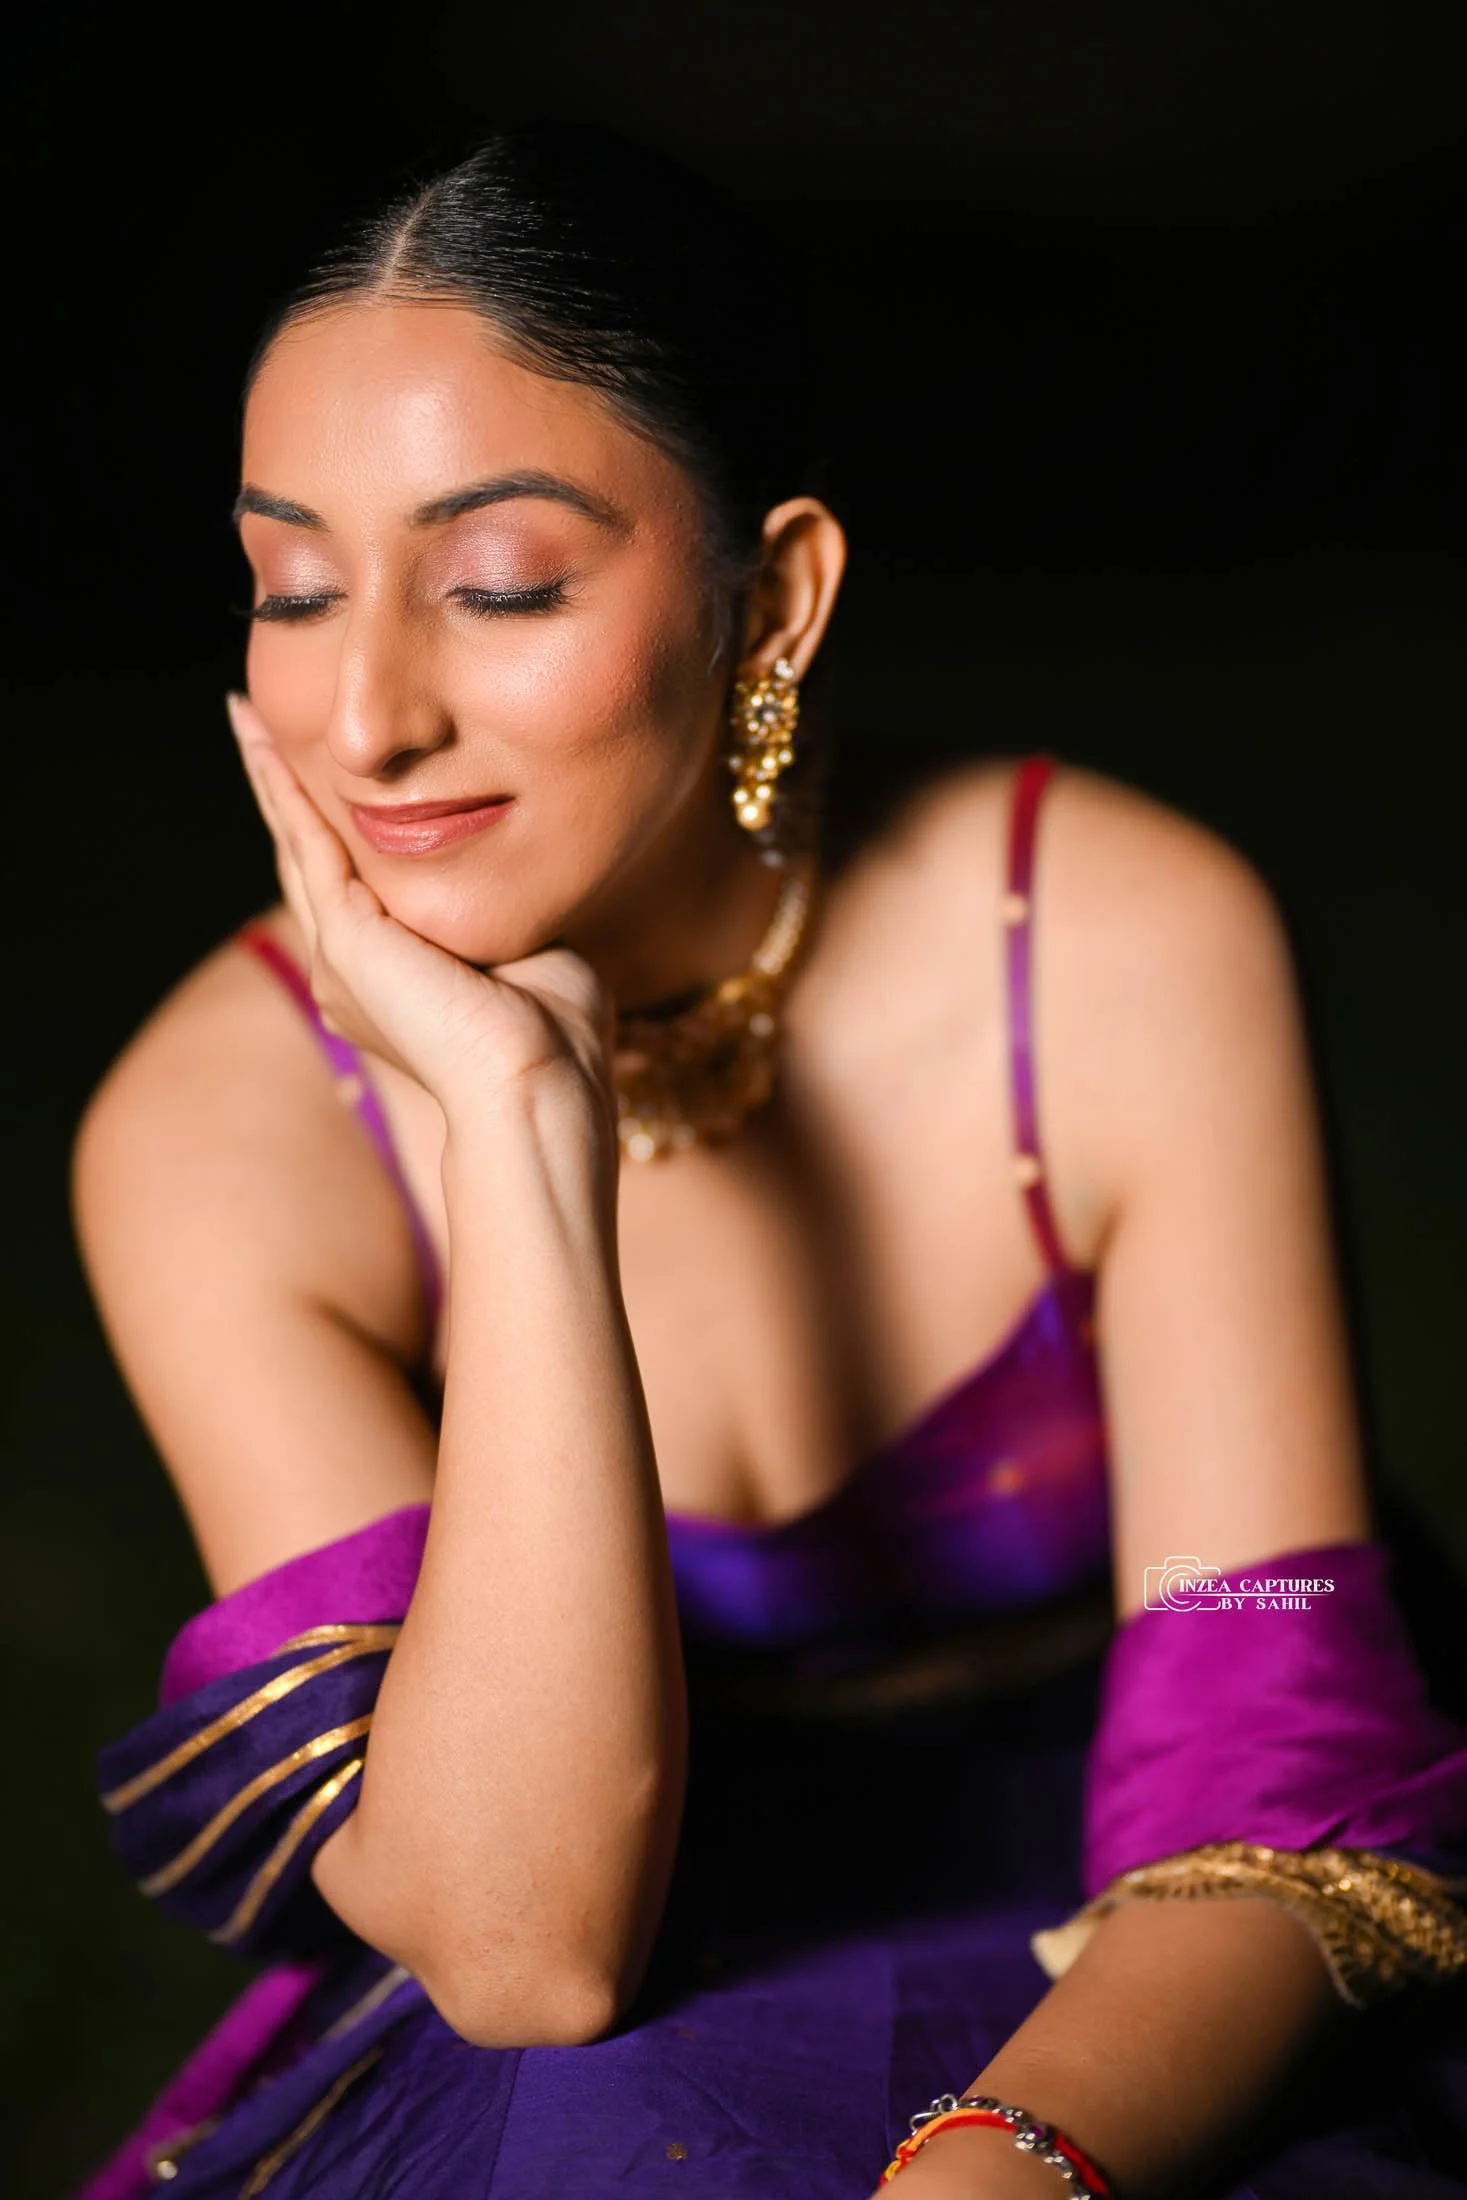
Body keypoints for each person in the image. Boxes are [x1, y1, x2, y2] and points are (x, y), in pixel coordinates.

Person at [67, 124, 1467, 2200]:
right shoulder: (217, 1129)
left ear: (772, 596)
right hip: (620, 1931)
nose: (364, 715)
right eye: (291, 585)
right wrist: (528, 1143)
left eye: (500, 582)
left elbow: (1273, 1779)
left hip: (1179, 1910)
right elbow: (527, 1944)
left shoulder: (1105, 947)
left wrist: (1000, 2162)